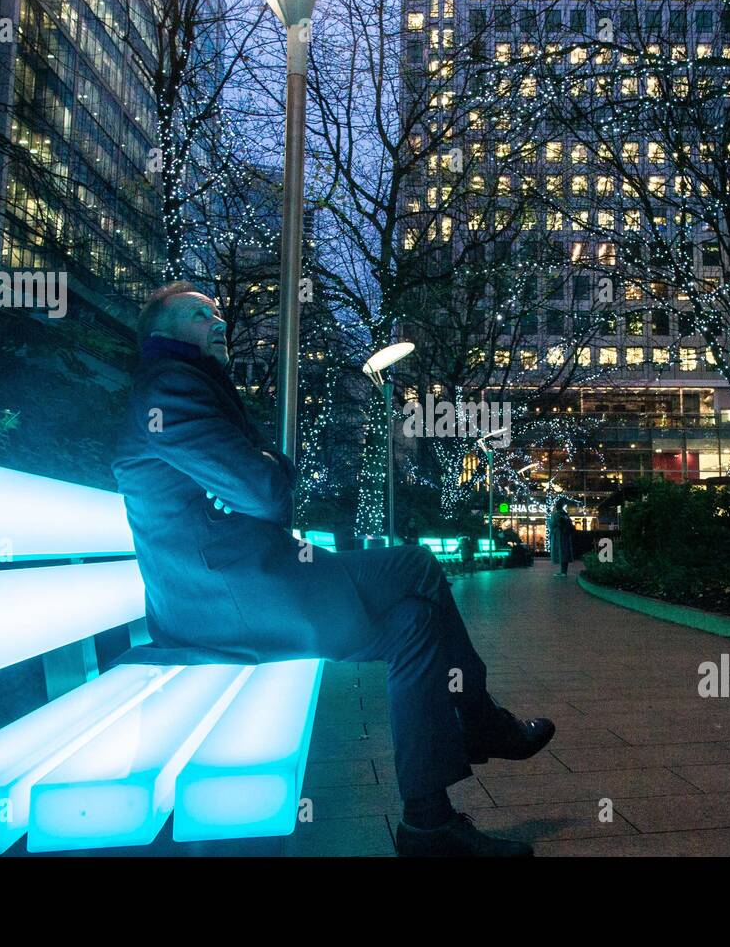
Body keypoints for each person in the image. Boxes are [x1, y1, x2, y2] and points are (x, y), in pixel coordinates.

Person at [110, 282, 555, 857]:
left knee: (417, 624)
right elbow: (266, 490)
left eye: (218, 310)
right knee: (416, 566)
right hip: (228, 603)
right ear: (163, 335)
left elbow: (250, 490)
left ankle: (429, 824)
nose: (217, 320)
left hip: (238, 591)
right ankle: (483, 720)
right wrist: (270, 461)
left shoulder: (189, 388)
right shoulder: (170, 390)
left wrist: (259, 471)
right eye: (200, 314)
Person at [549, 501, 575, 578]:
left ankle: (563, 572)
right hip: (566, 537)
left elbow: (552, 525)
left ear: (556, 507)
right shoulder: (566, 515)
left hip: (559, 537)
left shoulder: (556, 515)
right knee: (565, 553)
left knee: (561, 553)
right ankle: (564, 571)